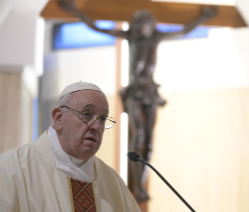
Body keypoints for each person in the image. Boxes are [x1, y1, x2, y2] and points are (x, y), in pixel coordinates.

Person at [58, 0, 217, 202]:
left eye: (147, 23)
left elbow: (184, 30)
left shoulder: (156, 37)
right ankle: (138, 185)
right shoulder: (131, 37)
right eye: (140, 23)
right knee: (139, 135)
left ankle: (141, 183)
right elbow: (99, 28)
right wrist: (75, 11)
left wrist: (204, 17)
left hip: (151, 92)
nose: (144, 27)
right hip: (134, 92)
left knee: (149, 139)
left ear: (152, 25)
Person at [0, 82, 141, 212]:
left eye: (103, 119)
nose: (97, 126)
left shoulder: (113, 182)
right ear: (58, 118)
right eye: (87, 114)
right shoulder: (11, 169)